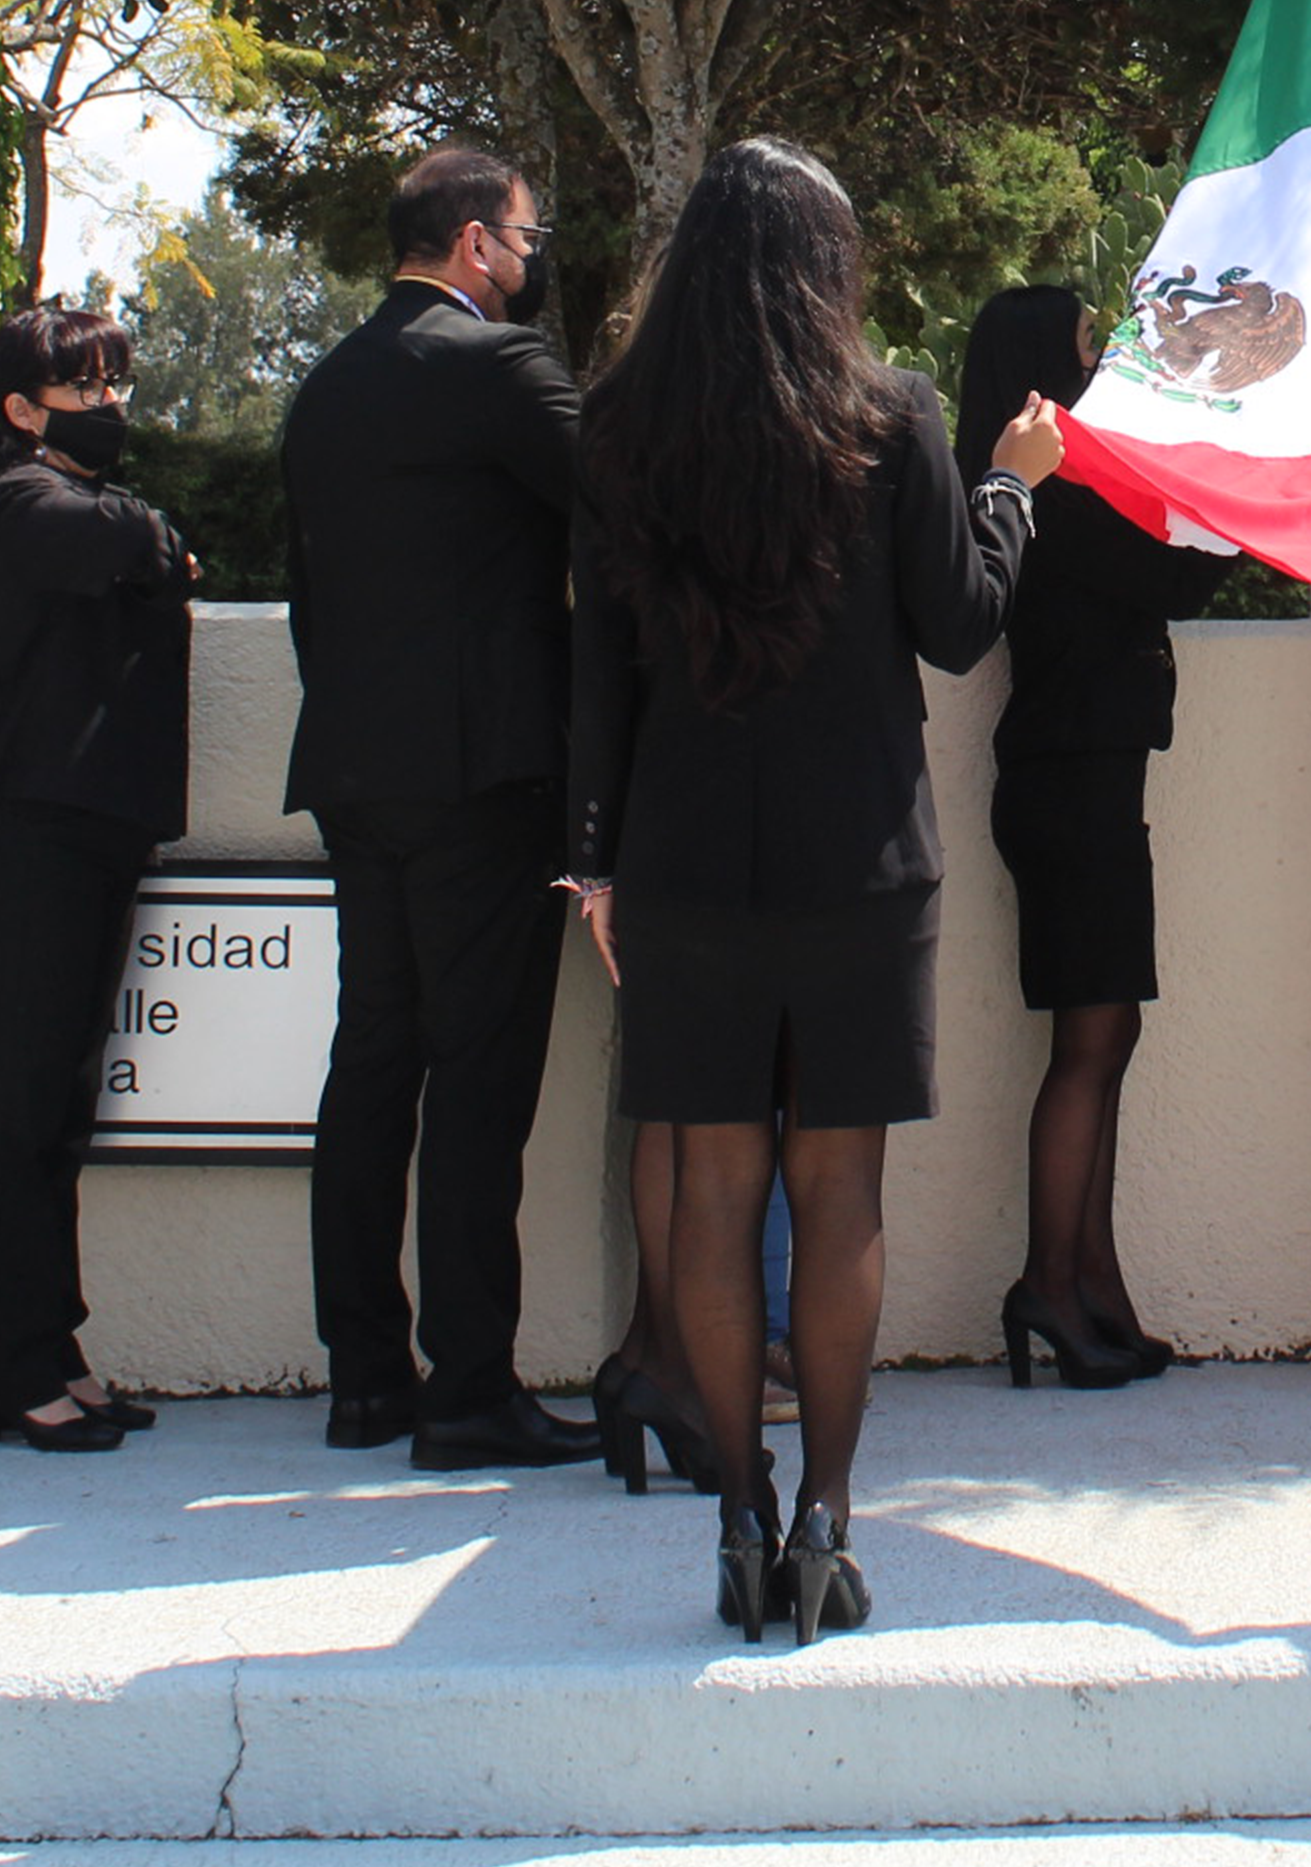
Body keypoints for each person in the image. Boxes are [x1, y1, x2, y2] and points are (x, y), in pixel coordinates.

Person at [567, 139, 1056, 1645]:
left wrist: (592, 855)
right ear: (826, 265)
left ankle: (735, 1522)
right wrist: (1011, 492)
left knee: (712, 1194)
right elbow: (962, 628)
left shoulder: (620, 423)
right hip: (862, 859)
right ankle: (828, 1527)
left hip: (681, 858)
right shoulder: (890, 409)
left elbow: (594, 662)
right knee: (838, 1194)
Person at [282, 143, 597, 1474]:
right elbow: (622, 505)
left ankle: (366, 1378)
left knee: (372, 1066)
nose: (533, 260)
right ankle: (470, 1385)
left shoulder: (327, 385)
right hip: (482, 778)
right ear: (477, 244)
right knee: (477, 1084)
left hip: (356, 769)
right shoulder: (501, 367)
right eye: (527, 238)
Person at [956, 285, 1230, 1389]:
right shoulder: (1052, 487)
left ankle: (1091, 1279)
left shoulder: (1048, 482)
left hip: (1080, 783)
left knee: (1103, 1044)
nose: (1106, 352)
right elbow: (1168, 580)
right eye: (1085, 340)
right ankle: (1048, 1286)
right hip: (1071, 789)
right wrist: (1229, 501)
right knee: (1090, 1047)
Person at [0, 306, 195, 1451]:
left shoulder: (56, 502)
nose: (112, 410)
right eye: (88, 391)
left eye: (117, 385)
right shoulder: (16, 503)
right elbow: (138, 543)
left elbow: (155, 549)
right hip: (26, 835)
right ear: (21, 410)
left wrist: (152, 546)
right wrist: (150, 543)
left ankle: (54, 1347)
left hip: (83, 831)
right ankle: (11, 1376)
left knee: (61, 1110)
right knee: (25, 1106)